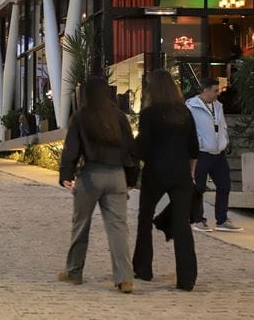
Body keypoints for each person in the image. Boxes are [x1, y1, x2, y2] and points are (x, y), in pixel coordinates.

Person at [58, 77, 137, 294]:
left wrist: (67, 173)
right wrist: (131, 178)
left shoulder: (81, 117)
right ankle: (125, 278)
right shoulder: (119, 117)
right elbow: (131, 148)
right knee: (118, 228)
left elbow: (71, 149)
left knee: (81, 224)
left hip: (92, 175)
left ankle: (74, 271)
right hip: (117, 175)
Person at [132, 69, 198, 291]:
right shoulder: (185, 113)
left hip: (156, 172)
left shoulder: (149, 114)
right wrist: (190, 173)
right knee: (181, 224)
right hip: (181, 172)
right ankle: (187, 277)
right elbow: (193, 148)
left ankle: (143, 268)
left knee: (145, 218)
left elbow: (143, 147)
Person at [186, 77, 243, 232]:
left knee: (224, 185)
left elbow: (222, 126)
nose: (218, 93)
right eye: (215, 90)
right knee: (199, 187)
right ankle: (198, 219)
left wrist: (224, 140)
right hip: (201, 152)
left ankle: (222, 219)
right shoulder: (191, 107)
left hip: (218, 152)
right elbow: (188, 129)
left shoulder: (218, 106)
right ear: (205, 90)